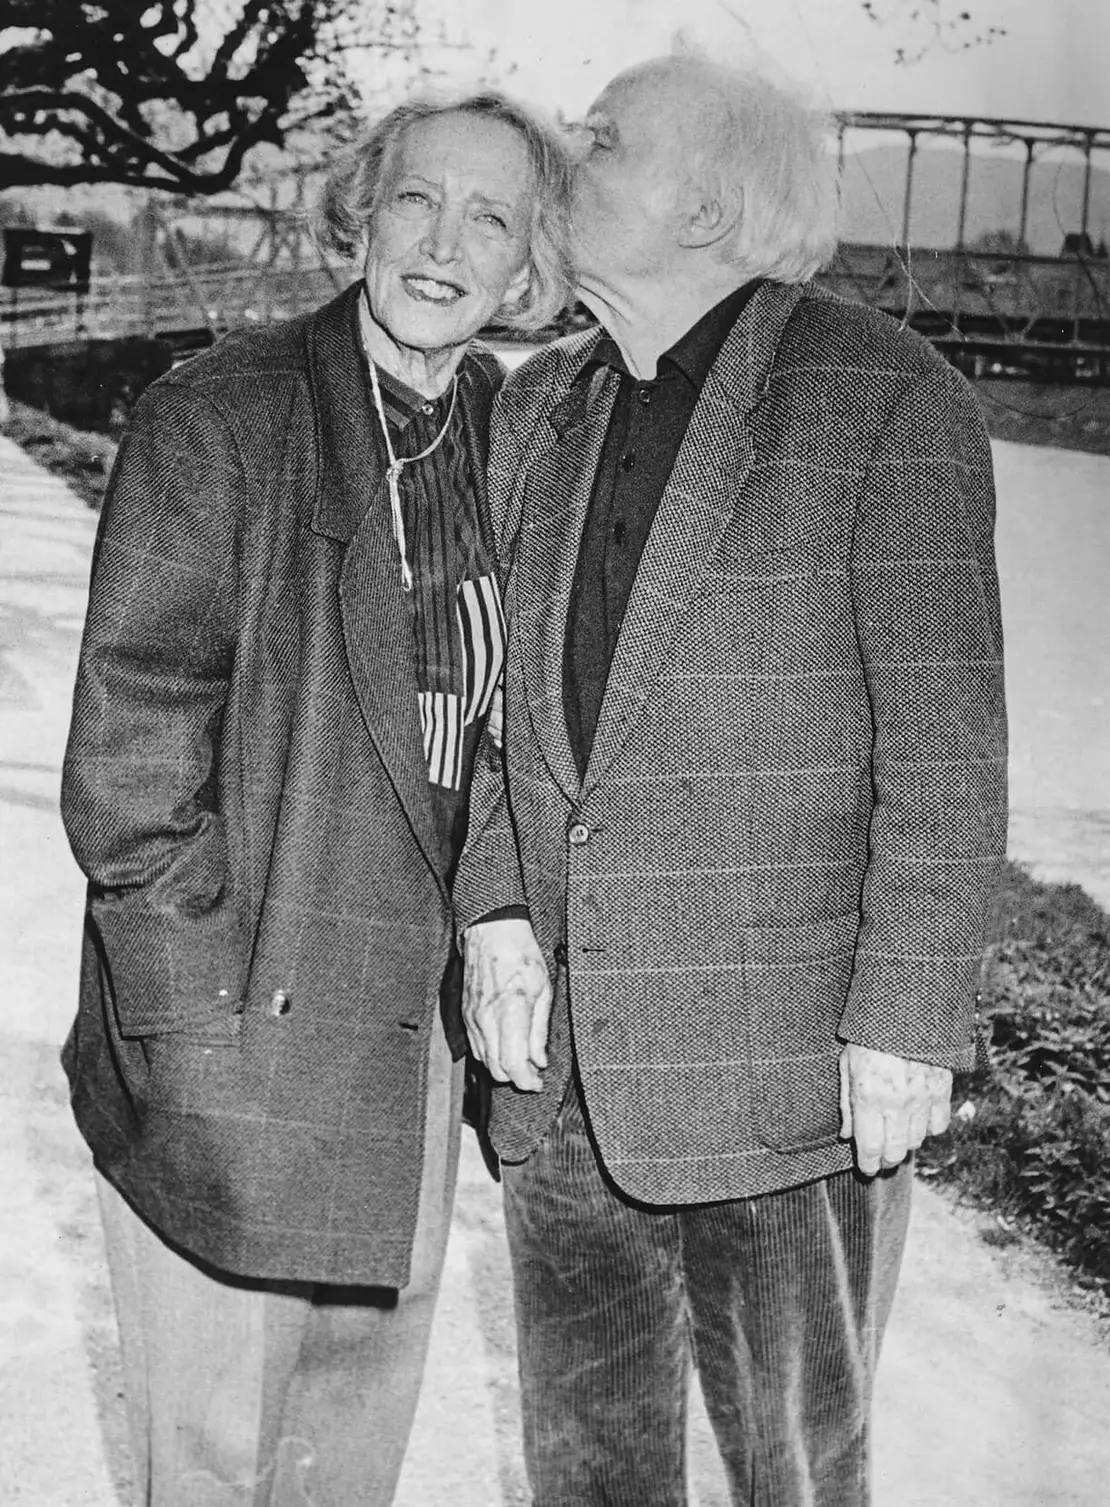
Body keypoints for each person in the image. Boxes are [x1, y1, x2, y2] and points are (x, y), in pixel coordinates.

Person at [457, 54, 1007, 1507]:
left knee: (794, 1468)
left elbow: (944, 753)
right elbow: (497, 717)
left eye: (600, 140)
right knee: (583, 1472)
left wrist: (904, 1025)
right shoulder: (536, 406)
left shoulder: (885, 399)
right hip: (559, 1075)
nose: (561, 159)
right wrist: (492, 906)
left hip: (786, 1080)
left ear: (700, 205)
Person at [60, 90, 568, 1507]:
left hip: (410, 1038)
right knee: (216, 1461)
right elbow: (129, 767)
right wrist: (188, 1022)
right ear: (358, 211)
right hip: (239, 1023)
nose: (443, 243)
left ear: (530, 265)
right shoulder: (220, 414)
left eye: (491, 217)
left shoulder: (507, 432)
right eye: (416, 199)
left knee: (344, 1460)